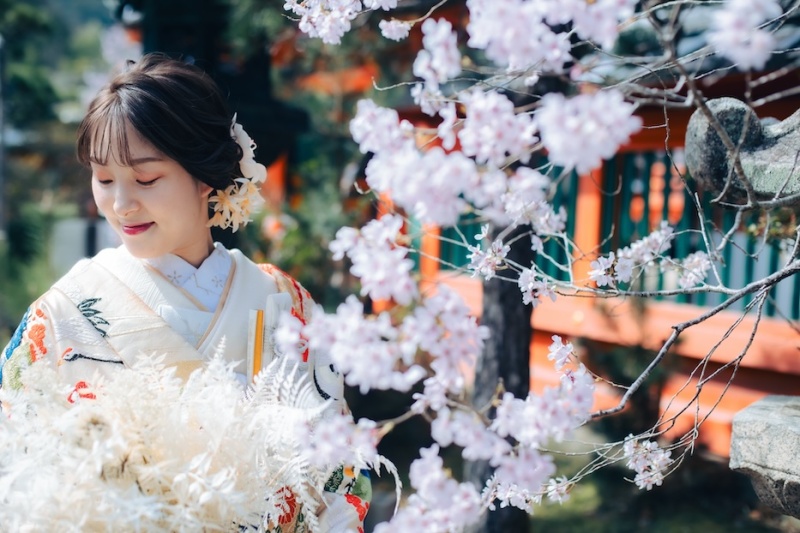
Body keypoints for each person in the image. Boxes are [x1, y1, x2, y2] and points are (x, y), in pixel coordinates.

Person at [0, 53, 370, 530]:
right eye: (104, 179)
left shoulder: (283, 301)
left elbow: (341, 473)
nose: (121, 204)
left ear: (204, 176)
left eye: (146, 178)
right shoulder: (61, 315)